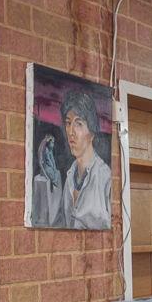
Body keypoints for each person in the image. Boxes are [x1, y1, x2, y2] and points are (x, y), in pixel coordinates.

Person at [51, 87, 112, 229]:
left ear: (92, 132)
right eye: (68, 123)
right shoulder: (70, 177)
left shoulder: (105, 178)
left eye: (78, 124)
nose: (71, 132)